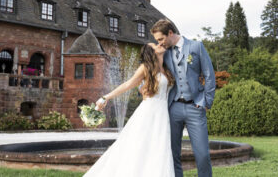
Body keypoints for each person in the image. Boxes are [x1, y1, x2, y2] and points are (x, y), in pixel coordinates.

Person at [84, 43, 175, 177]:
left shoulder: (166, 68)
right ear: (151, 52)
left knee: (159, 147)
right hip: (149, 111)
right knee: (139, 146)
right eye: (155, 45)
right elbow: (128, 84)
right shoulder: (145, 67)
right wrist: (106, 97)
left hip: (162, 112)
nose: (159, 44)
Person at [151, 19, 216, 177]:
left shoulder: (196, 47)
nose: (159, 43)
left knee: (202, 155)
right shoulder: (164, 52)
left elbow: (209, 75)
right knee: (173, 154)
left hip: (195, 106)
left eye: (160, 39)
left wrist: (206, 102)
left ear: (170, 33)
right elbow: (153, 73)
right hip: (173, 108)